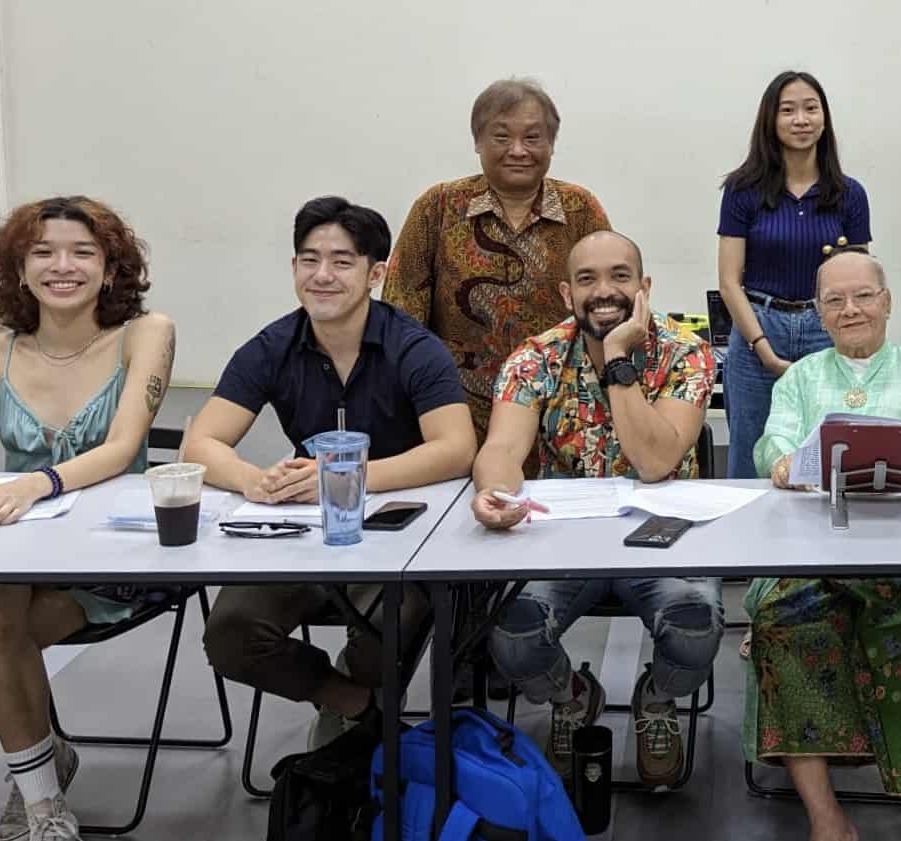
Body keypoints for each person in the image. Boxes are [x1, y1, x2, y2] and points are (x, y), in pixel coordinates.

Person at [0, 196, 176, 841]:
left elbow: (122, 450)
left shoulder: (145, 335)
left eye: (83, 252)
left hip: (111, 556)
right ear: (19, 267)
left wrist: (37, 483)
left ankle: (36, 772)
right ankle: (44, 798)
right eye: (43, 252)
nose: (63, 266)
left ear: (112, 269)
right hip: (18, 552)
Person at [185, 197, 474, 748]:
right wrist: (251, 479)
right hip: (303, 536)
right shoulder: (272, 346)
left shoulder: (415, 348)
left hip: (400, 534)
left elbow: (456, 449)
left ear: (375, 273)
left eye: (342, 262)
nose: (322, 276)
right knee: (230, 635)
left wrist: (345, 478)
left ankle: (351, 753)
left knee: (399, 608)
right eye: (307, 259)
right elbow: (201, 443)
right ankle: (352, 704)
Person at [750, 249, 901, 841]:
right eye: (834, 300)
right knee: (780, 622)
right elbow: (771, 446)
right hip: (814, 548)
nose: (850, 309)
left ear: (887, 302)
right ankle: (826, 817)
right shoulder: (801, 377)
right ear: (819, 312)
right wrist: (784, 464)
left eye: (863, 295)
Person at [472, 230, 722, 787]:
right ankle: (573, 695)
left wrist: (617, 359)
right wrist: (495, 490)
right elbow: (504, 448)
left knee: (698, 627)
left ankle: (656, 699)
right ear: (566, 294)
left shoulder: (687, 352)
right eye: (587, 279)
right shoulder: (535, 357)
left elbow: (655, 461)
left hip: (667, 535)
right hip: (565, 537)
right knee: (508, 634)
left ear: (645, 287)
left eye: (619, 276)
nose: (603, 291)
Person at [385, 78, 611, 453]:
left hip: (561, 410)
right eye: (502, 137)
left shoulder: (581, 209)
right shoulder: (438, 207)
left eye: (533, 138)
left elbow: (608, 303)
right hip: (456, 416)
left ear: (552, 145)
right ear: (477, 141)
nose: (518, 151)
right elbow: (402, 315)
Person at [718, 70, 871, 478]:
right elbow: (730, 281)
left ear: (825, 119)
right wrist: (762, 348)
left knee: (829, 452)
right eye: (788, 110)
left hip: (826, 330)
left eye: (810, 109)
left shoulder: (849, 194)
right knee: (751, 454)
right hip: (757, 326)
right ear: (770, 120)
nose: (801, 120)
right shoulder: (742, 190)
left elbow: (858, 282)